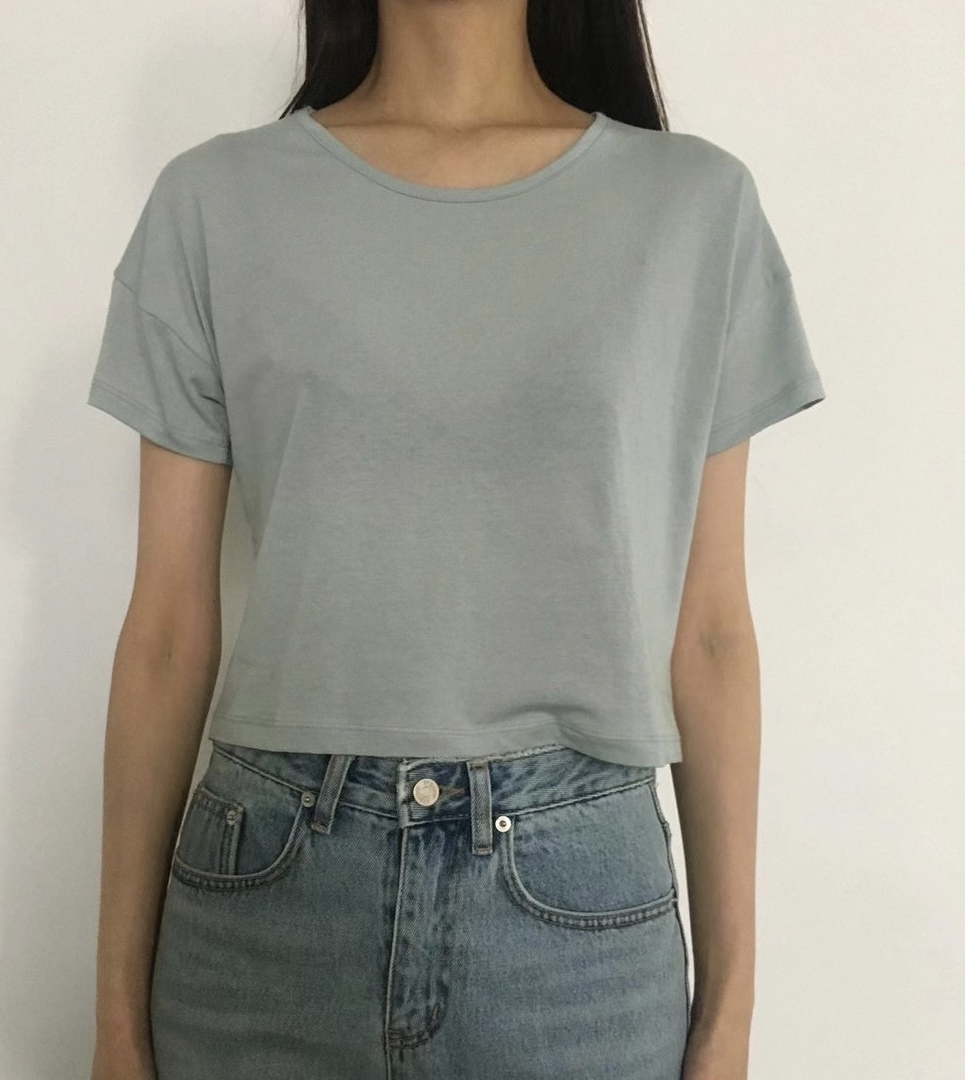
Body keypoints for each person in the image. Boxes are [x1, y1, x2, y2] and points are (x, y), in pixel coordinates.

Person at [85, 3, 826, 1079]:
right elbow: (164, 630)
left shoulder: (694, 208)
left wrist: (731, 1020)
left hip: (577, 928)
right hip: (267, 906)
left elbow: (709, 633)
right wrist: (115, 1023)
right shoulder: (214, 201)